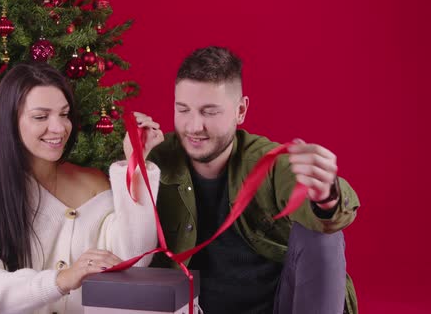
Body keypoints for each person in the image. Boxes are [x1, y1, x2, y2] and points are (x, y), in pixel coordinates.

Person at [141, 46, 360, 314]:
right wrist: (132, 162)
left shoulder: (266, 161)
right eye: (183, 109)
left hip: (280, 306)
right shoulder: (155, 157)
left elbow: (313, 196)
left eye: (209, 112)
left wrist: (326, 198)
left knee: (322, 233)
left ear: (240, 110)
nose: (194, 126)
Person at [0, 62, 163, 314]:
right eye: (40, 116)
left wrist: (136, 161)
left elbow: (134, 260)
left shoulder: (94, 185)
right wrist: (63, 279)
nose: (60, 128)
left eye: (64, 114)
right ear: (9, 122)